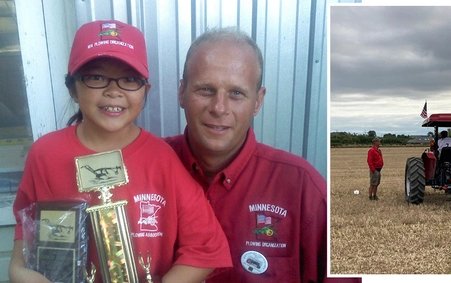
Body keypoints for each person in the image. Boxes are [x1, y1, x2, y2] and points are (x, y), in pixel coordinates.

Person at [9, 20, 232, 283]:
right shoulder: (44, 155)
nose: (113, 91)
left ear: (145, 91)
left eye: (129, 79)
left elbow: (205, 250)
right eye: (96, 77)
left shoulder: (162, 158)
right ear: (72, 88)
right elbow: (21, 261)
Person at [164, 28, 361, 282]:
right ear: (182, 92)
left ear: (258, 101)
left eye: (236, 93)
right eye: (205, 89)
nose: (219, 108)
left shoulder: (303, 189)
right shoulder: (143, 168)